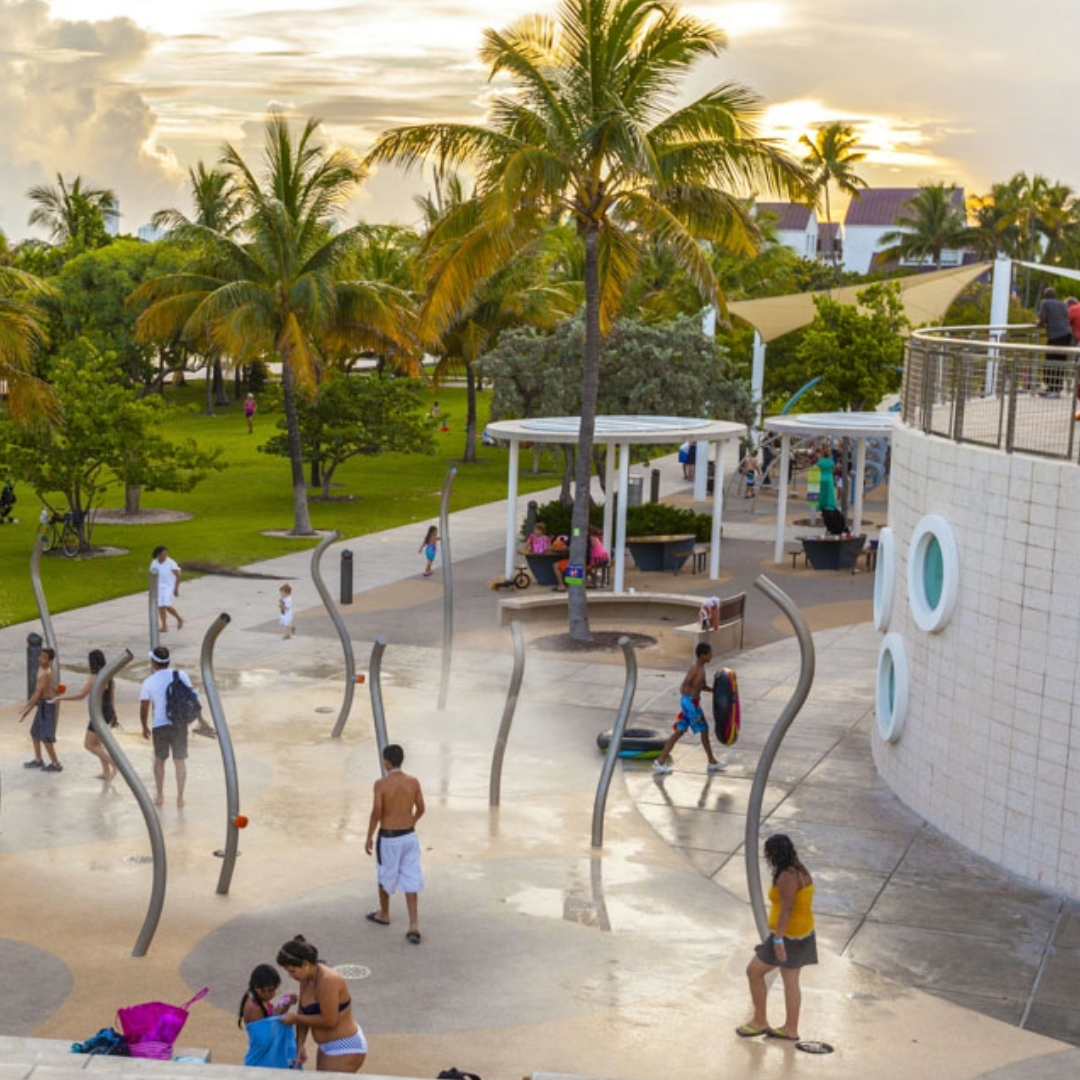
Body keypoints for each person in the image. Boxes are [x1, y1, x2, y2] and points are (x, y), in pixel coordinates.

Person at [737, 833, 817, 1041]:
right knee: (791, 981)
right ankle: (790, 1028)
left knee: (753, 972)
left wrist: (779, 939)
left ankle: (759, 1021)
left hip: (788, 935)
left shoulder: (787, 877)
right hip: (803, 933)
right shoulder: (800, 870)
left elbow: (787, 909)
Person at [277, 936, 367, 1072]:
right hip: (326, 1046)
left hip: (346, 1046)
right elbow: (302, 1011)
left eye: (292, 971)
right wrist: (300, 1044)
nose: (291, 976)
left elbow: (329, 1020)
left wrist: (295, 1019)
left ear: (305, 964)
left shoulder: (328, 980)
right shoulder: (305, 978)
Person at [365, 743, 425, 944]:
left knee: (385, 875)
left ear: (386, 762)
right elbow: (421, 808)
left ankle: (384, 913)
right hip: (409, 836)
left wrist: (369, 836)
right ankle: (414, 925)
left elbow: (377, 813)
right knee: (411, 877)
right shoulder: (413, 782)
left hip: (389, 837)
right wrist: (412, 821)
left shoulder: (381, 784)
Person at [652, 643, 725, 775]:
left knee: (679, 732)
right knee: (704, 729)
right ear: (703, 655)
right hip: (691, 703)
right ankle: (711, 761)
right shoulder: (695, 669)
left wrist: (714, 691)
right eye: (710, 653)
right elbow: (685, 684)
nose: (711, 655)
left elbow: (701, 686)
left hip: (690, 702)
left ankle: (660, 761)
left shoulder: (701, 669)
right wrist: (688, 700)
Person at [139, 645, 196, 808]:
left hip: (160, 725)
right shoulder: (181, 675)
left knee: (159, 760)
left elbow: (144, 707)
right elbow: (191, 697)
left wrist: (144, 726)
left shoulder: (148, 682)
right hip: (179, 724)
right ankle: (180, 798)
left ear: (153, 662)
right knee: (180, 761)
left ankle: (160, 795)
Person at [52, 648, 118, 780]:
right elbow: (111, 697)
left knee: (88, 744)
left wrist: (60, 698)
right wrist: (114, 714)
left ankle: (114, 763)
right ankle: (106, 771)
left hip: (98, 712)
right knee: (97, 743)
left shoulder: (94, 677)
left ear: (92, 663)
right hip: (106, 711)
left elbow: (81, 695)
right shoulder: (108, 676)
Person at [238, 963, 298, 1069]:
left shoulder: (257, 997)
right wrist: (283, 1021)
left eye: (275, 989)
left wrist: (286, 1003)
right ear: (257, 988)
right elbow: (265, 1040)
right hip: (261, 1060)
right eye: (270, 990)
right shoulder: (253, 1008)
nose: (273, 994)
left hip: (263, 1058)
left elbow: (272, 1016)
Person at [19, 646, 60, 772]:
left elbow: (37, 694)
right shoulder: (41, 669)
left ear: (50, 661)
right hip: (42, 704)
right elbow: (37, 692)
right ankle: (38, 760)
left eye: (43, 657)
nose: (40, 659)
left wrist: (27, 710)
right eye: (40, 656)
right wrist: (27, 706)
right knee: (35, 733)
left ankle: (55, 764)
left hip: (46, 706)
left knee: (46, 737)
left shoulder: (46, 674)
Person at [1037, 287, 1073, 396]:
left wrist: (1040, 324)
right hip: (1067, 334)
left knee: (1051, 360)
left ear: (1045, 295)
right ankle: (1057, 387)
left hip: (1056, 336)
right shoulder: (1062, 304)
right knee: (1060, 361)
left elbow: (1043, 317)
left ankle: (1052, 388)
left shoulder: (1045, 303)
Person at [150, 545, 183, 632]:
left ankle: (179, 618)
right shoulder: (154, 562)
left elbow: (178, 576)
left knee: (166, 606)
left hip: (169, 586)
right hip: (159, 587)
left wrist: (176, 589)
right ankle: (164, 626)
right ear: (158, 555)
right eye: (163, 553)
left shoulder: (171, 563)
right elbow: (152, 574)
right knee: (160, 607)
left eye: (166, 553)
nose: (165, 555)